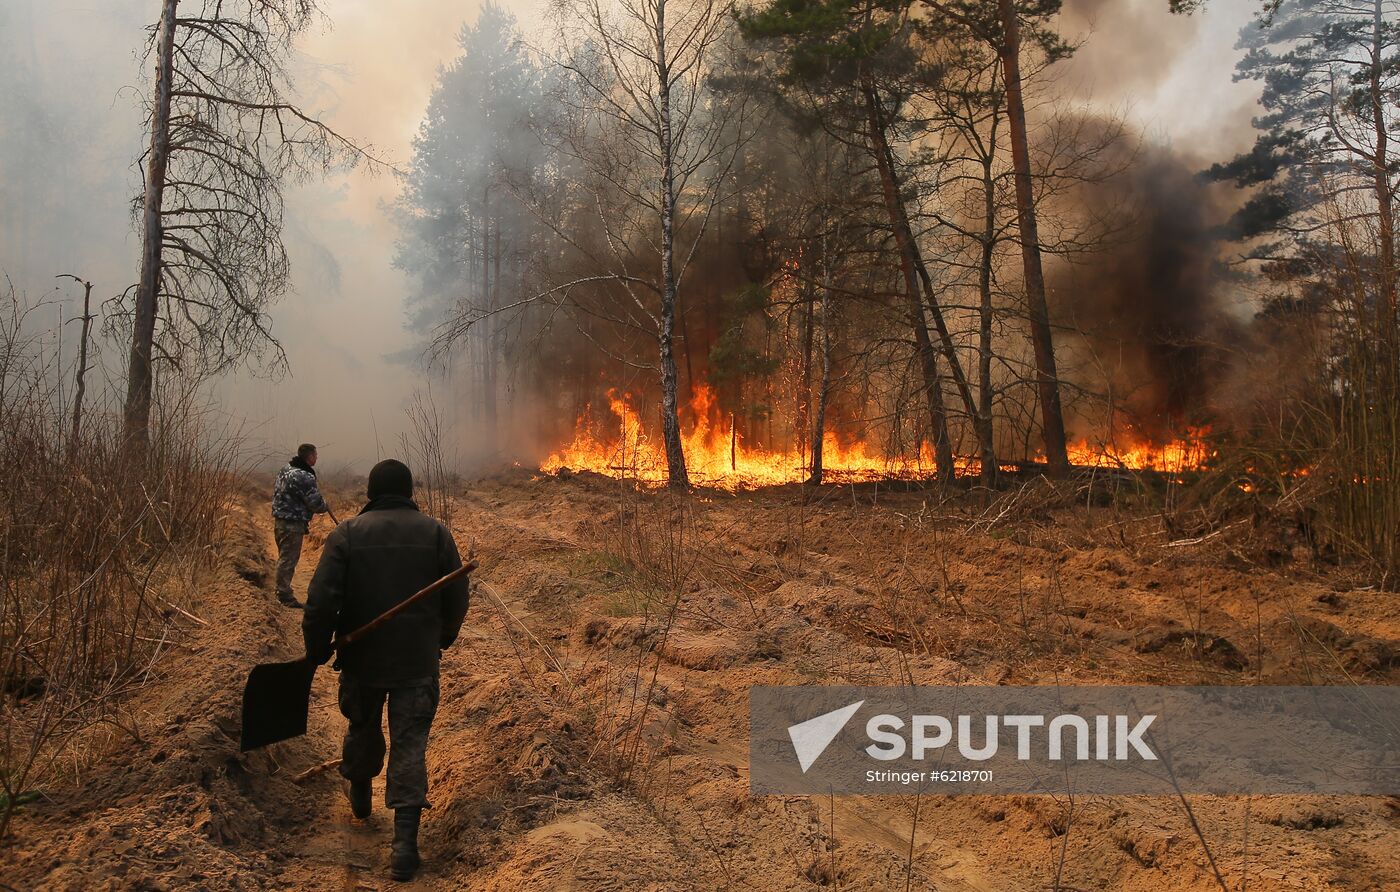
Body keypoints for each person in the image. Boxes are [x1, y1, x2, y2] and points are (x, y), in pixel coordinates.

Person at [302, 459, 470, 883]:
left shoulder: (347, 535)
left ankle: (360, 793)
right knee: (410, 745)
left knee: (362, 725)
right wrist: (443, 637)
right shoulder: (436, 533)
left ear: (371, 494)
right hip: (417, 662)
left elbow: (321, 600)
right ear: (409, 491)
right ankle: (404, 848)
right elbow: (457, 596)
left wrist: (316, 647)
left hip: (362, 660)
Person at [271, 443, 334, 608]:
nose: (317, 458)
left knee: (284, 557)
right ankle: (284, 596)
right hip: (293, 523)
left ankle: (280, 591)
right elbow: (316, 504)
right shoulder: (305, 476)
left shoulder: (286, 470)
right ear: (310, 457)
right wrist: (325, 504)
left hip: (280, 520)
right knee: (288, 559)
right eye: (316, 455)